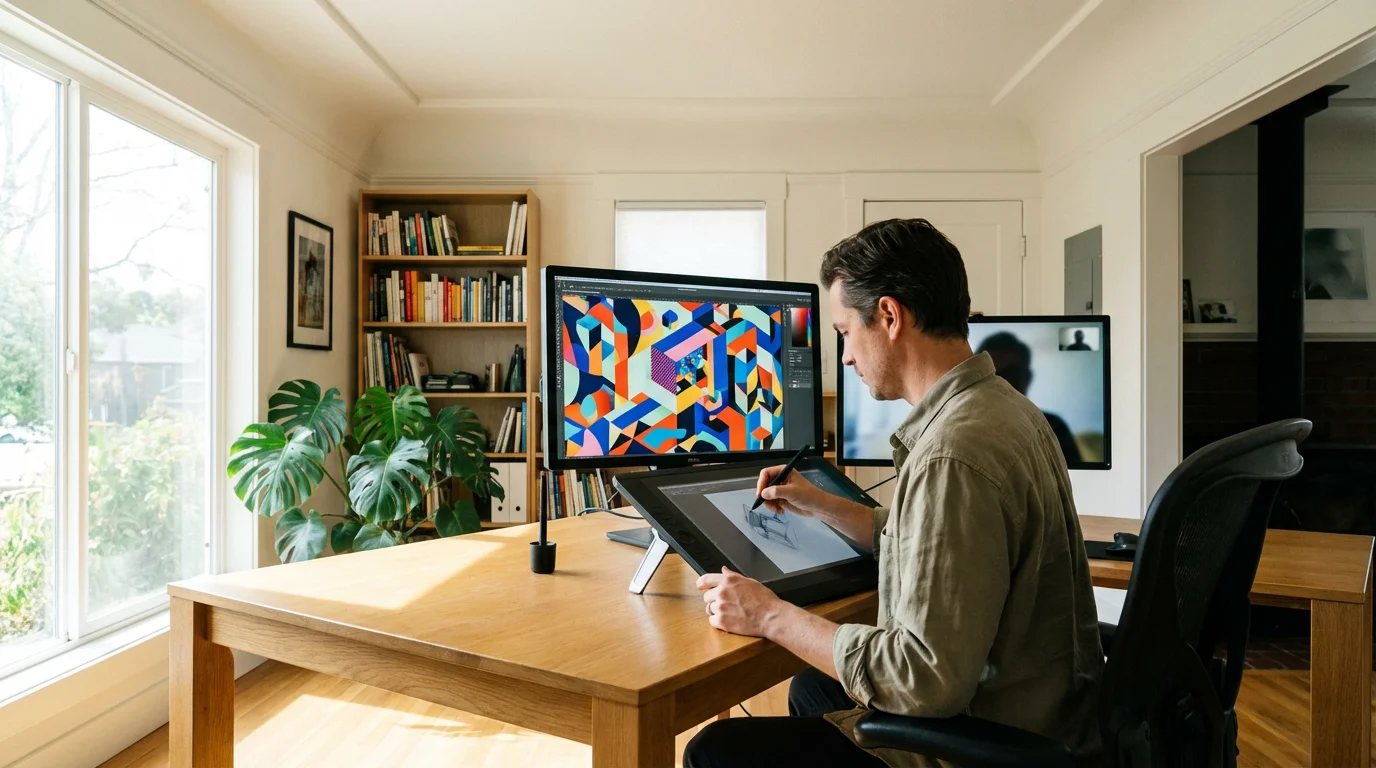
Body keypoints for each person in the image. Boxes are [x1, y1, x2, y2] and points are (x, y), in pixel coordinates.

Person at [683, 218, 1104, 768]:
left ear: (888, 315)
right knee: (813, 691)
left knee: (715, 753)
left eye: (843, 333)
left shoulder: (954, 454)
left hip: (987, 735)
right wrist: (822, 504)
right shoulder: (1002, 408)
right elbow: (942, 541)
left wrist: (771, 617)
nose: (847, 357)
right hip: (1047, 708)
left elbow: (924, 678)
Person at [976, 331, 1084, 465]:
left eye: (1012, 374)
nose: (1003, 383)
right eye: (994, 375)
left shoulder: (1052, 427)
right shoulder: (960, 430)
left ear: (1027, 378)